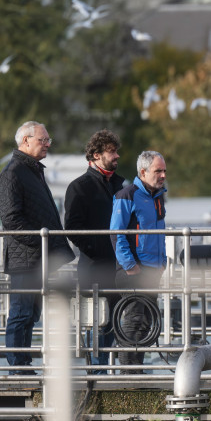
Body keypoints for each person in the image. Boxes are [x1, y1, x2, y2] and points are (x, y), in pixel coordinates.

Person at [0, 121, 75, 375]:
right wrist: (41, 241)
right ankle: (18, 367)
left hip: (36, 256)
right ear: (25, 141)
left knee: (31, 312)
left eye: (48, 140)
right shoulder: (13, 173)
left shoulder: (31, 171)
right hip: (26, 258)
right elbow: (11, 219)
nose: (47, 144)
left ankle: (23, 364)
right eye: (43, 140)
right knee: (21, 311)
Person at [64, 129, 125, 373]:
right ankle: (97, 373)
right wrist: (100, 249)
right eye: (112, 152)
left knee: (114, 320)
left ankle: (108, 369)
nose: (117, 156)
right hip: (94, 267)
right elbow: (72, 228)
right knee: (98, 321)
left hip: (120, 267)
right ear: (96, 155)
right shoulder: (79, 187)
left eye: (116, 151)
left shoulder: (121, 184)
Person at [110, 150, 167, 374]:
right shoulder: (127, 195)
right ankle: (128, 372)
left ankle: (137, 368)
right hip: (134, 269)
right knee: (133, 319)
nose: (163, 175)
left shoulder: (158, 197)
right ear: (143, 172)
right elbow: (116, 233)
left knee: (147, 322)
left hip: (153, 270)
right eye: (158, 171)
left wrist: (161, 263)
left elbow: (158, 233)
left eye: (164, 170)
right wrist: (130, 266)